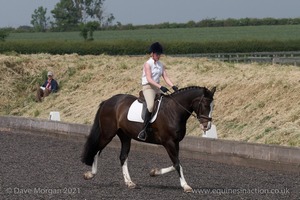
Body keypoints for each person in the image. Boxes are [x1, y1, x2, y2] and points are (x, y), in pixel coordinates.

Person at [137, 42, 178, 141]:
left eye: (160, 54)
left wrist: (173, 86)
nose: (158, 56)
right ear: (152, 54)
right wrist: (161, 86)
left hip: (157, 88)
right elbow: (149, 79)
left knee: (167, 103)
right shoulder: (147, 64)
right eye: (157, 54)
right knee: (151, 106)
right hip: (148, 87)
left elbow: (166, 77)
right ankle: (144, 130)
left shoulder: (161, 65)